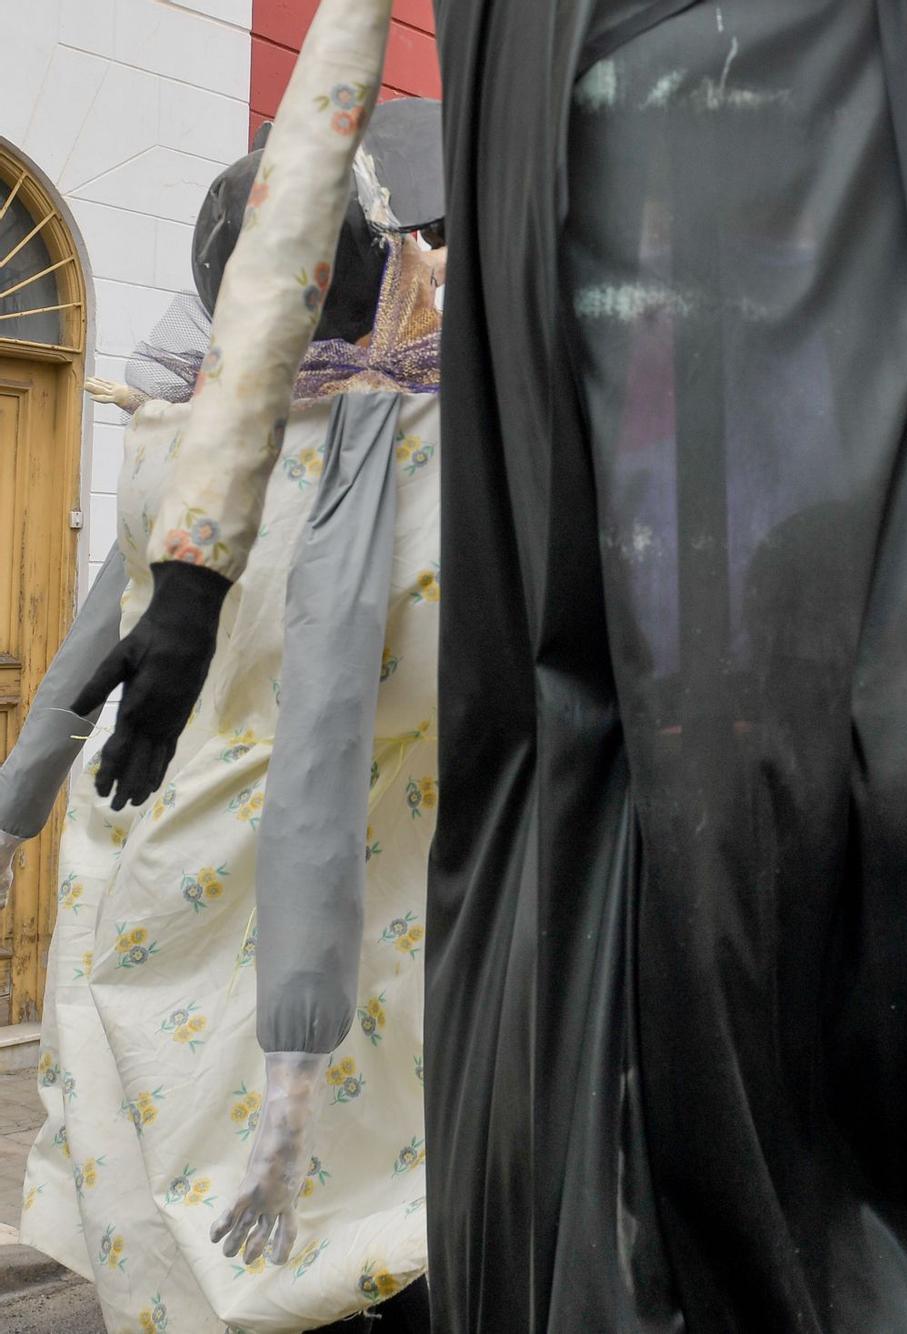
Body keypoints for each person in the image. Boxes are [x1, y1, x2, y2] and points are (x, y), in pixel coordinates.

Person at [73, 2, 907, 1329]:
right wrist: (198, 562)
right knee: (704, 924)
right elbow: (326, 104)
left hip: (900, 200)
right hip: (635, 279)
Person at [12, 142, 440, 1329]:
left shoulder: (207, 449)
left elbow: (98, 642)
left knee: (247, 1212)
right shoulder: (403, 456)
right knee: (336, 1229)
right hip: (298, 910)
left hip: (226, 890)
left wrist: (15, 801)